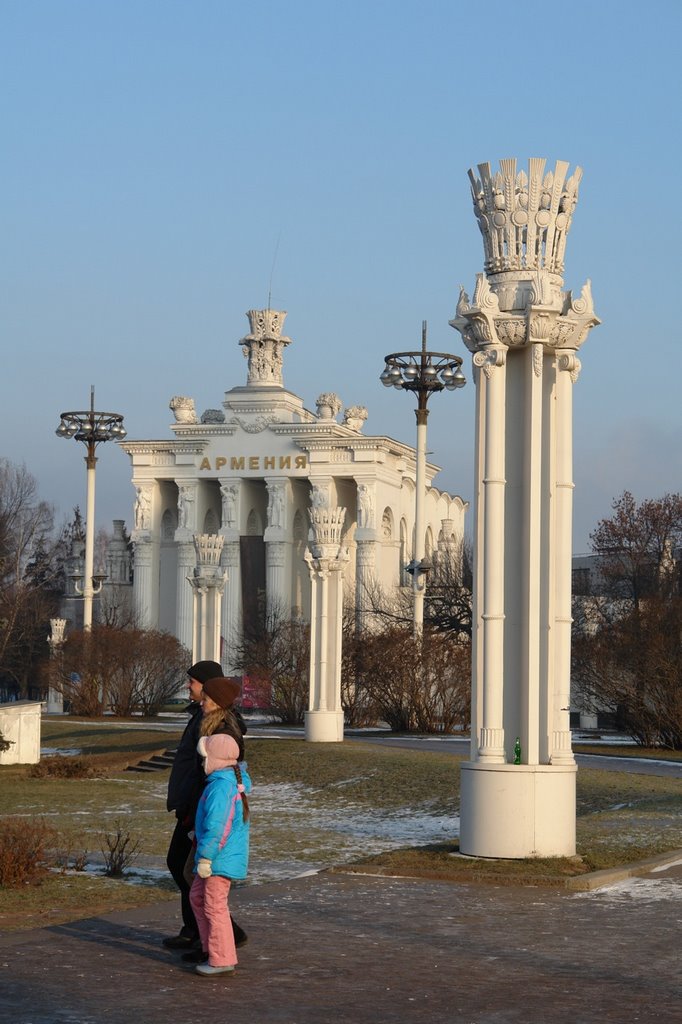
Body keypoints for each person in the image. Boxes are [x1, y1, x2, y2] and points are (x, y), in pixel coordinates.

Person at [163, 661, 247, 952]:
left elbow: (213, 774)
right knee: (185, 869)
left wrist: (193, 811)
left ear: (209, 687)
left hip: (202, 812)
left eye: (194, 682)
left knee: (192, 872)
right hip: (192, 807)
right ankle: (197, 931)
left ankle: (214, 937)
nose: (189, 686)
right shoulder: (200, 717)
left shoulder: (219, 726)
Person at [189, 732, 251, 977]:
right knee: (197, 897)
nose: (202, 761)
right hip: (215, 855)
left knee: (214, 905)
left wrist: (206, 856)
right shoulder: (222, 783)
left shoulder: (220, 787)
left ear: (216, 759)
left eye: (205, 757)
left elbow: (218, 826)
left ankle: (222, 958)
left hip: (217, 858)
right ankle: (211, 949)